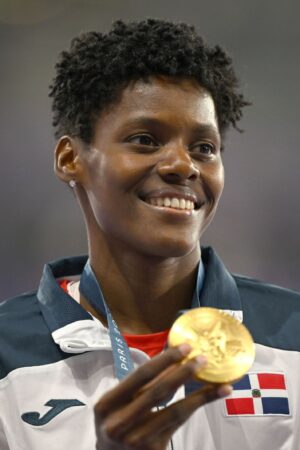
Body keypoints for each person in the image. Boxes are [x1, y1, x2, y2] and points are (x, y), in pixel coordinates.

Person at [0, 19, 299, 450]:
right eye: (145, 139)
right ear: (71, 159)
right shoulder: (7, 355)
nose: (184, 165)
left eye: (205, 148)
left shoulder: (294, 339)